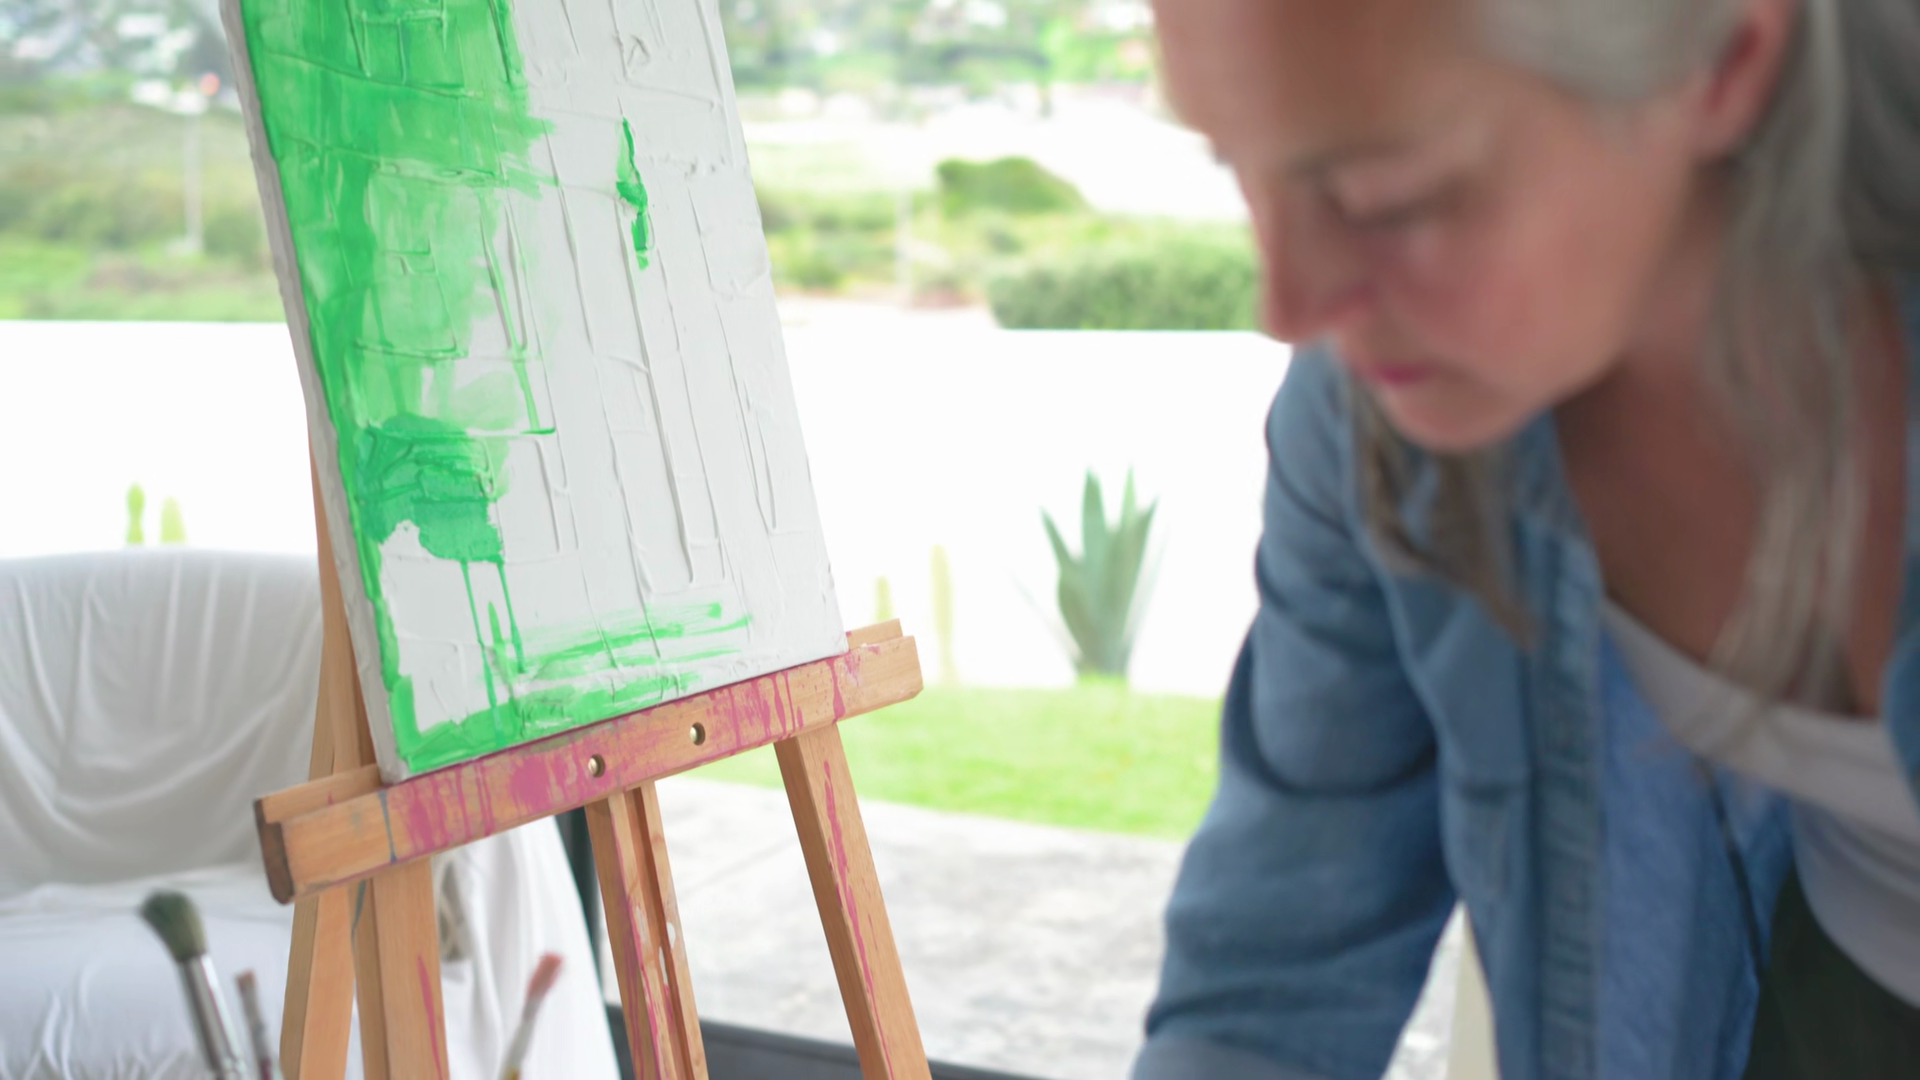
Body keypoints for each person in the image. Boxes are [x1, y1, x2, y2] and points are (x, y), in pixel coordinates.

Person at [1134, 0, 1920, 1077]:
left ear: (1725, 60)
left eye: (1388, 195)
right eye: (1239, 167)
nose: (1291, 305)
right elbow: (1276, 970)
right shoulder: (1374, 422)